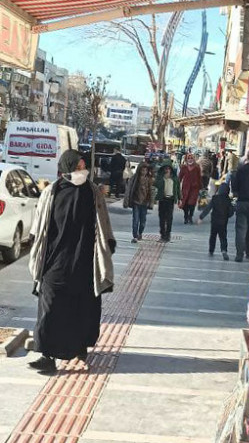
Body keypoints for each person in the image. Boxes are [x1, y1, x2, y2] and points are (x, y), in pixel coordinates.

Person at [27, 150, 115, 372]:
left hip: (84, 263)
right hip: (54, 262)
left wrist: (108, 244)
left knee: (81, 309)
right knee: (49, 308)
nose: (82, 171)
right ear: (67, 168)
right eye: (77, 167)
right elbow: (39, 223)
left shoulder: (93, 193)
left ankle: (79, 346)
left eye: (83, 167)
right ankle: (47, 356)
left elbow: (103, 222)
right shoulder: (52, 191)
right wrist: (35, 242)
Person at [198, 181, 235, 260]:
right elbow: (231, 212)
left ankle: (211, 250)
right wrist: (227, 215)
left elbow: (208, 208)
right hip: (223, 222)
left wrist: (201, 217)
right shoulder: (228, 200)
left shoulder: (215, 198)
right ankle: (224, 250)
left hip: (214, 221)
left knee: (213, 236)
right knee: (223, 237)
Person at [123, 162, 155, 243]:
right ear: (139, 170)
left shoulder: (149, 179)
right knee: (135, 220)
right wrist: (126, 201)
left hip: (144, 203)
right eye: (142, 170)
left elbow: (152, 191)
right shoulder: (135, 179)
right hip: (136, 202)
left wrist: (151, 202)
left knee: (143, 221)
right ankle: (135, 236)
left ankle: (140, 233)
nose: (144, 172)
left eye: (145, 170)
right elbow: (128, 189)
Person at [155, 165, 180, 242]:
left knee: (169, 218)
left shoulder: (174, 178)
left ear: (171, 169)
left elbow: (178, 188)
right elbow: (156, 185)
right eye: (165, 169)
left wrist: (179, 198)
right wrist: (162, 178)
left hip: (170, 200)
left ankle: (168, 234)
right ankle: (162, 235)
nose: (167, 170)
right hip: (162, 199)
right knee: (162, 218)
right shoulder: (160, 177)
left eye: (168, 169)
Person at [178, 154, 202, 224]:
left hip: (194, 188)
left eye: (191, 158)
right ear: (186, 159)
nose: (190, 159)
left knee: (192, 203)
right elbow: (180, 177)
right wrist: (177, 186)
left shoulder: (197, 167)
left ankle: (190, 216)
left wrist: (201, 187)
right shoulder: (183, 167)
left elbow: (199, 177)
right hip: (185, 188)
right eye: (189, 158)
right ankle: (186, 216)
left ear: (194, 159)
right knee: (185, 203)